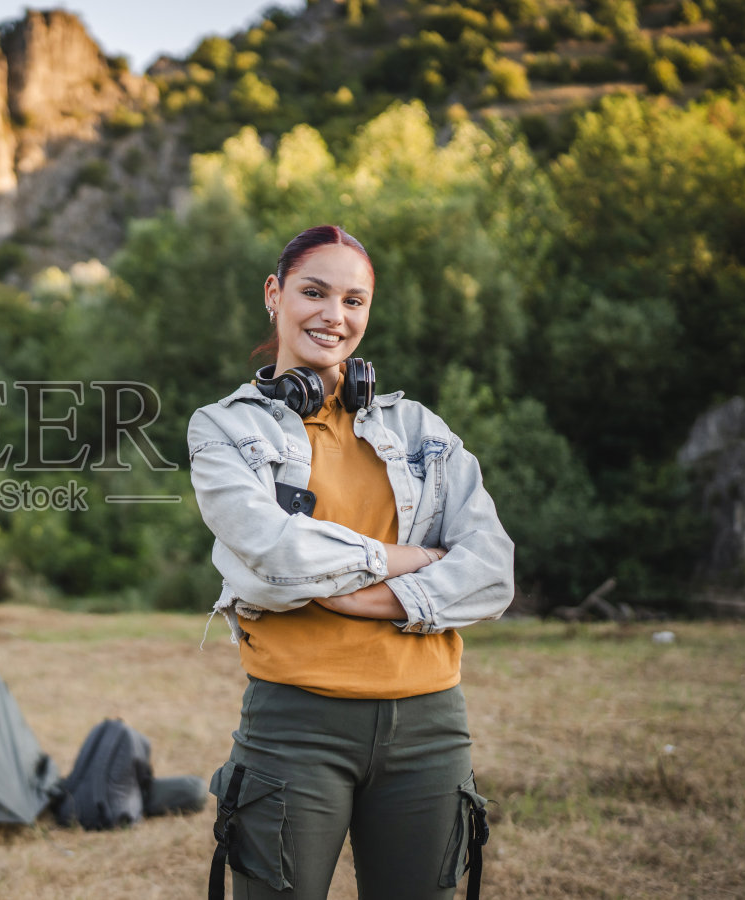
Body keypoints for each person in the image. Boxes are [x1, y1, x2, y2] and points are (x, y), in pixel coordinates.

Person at [187, 225, 515, 900]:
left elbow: (492, 572)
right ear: (274, 296)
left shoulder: (423, 431)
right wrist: (409, 559)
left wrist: (352, 593)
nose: (334, 316)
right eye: (314, 292)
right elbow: (275, 557)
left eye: (354, 301)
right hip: (294, 724)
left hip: (430, 727)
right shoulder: (224, 429)